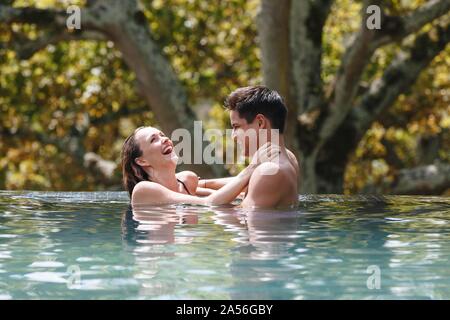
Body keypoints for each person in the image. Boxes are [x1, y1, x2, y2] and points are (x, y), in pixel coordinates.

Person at [121, 126, 279, 207]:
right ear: (141, 161)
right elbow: (210, 203)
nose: (165, 139)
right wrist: (252, 167)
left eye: (162, 135)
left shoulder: (186, 181)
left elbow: (235, 194)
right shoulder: (143, 190)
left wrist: (265, 171)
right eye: (153, 139)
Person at [199, 86, 299, 208]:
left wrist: (249, 170)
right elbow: (248, 182)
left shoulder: (269, 171)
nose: (233, 136)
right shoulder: (288, 158)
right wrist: (201, 185)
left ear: (260, 122)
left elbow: (242, 222)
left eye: (236, 127)